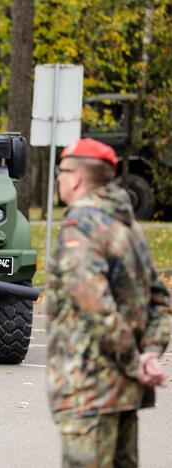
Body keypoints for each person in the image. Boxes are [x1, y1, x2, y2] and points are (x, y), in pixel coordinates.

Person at [46, 138, 171, 467]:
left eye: (62, 172)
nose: (59, 179)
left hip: (89, 391)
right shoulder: (129, 229)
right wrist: (148, 355)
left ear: (75, 178)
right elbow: (160, 300)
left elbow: (95, 305)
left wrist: (134, 360)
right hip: (124, 393)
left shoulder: (81, 229)